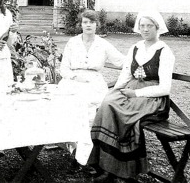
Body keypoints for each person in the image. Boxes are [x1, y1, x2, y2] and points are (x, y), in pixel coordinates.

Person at [88, 11, 175, 183]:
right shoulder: (135, 48)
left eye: (149, 26)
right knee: (107, 103)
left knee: (119, 111)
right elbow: (126, 75)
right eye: (142, 26)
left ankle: (122, 169)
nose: (145, 29)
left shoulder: (164, 51)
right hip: (131, 91)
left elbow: (164, 88)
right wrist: (114, 91)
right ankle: (105, 165)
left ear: (157, 28)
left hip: (153, 98)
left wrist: (136, 93)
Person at [58, 10, 125, 123]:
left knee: (91, 107)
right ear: (81, 25)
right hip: (73, 80)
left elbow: (121, 61)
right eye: (85, 22)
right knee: (70, 105)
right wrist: (74, 77)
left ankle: (89, 136)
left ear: (97, 24)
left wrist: (140, 59)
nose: (88, 25)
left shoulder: (103, 44)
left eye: (92, 22)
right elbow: (63, 69)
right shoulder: (73, 42)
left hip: (94, 82)